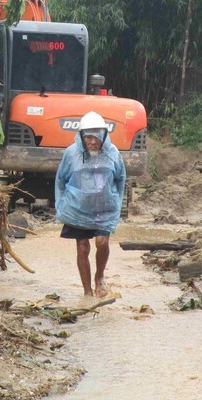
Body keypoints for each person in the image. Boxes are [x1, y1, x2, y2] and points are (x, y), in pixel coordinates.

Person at [55, 111, 126, 298]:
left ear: (104, 135)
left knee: (102, 243)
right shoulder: (71, 154)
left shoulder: (113, 153)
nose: (93, 141)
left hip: (104, 209)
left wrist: (117, 202)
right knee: (83, 247)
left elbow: (120, 179)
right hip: (78, 209)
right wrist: (61, 206)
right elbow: (61, 180)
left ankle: (99, 277)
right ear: (81, 137)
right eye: (88, 137)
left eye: (96, 136)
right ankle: (87, 293)